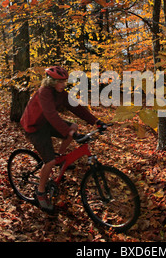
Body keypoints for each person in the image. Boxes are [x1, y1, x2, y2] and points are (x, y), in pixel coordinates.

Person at [20, 66, 104, 213]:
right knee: (49, 161)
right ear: (51, 81)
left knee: (74, 126)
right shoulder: (44, 93)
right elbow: (51, 114)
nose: (63, 84)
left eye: (64, 81)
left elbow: (77, 108)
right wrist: (70, 134)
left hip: (46, 122)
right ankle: (40, 193)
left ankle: (60, 157)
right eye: (60, 82)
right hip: (34, 127)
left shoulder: (61, 94)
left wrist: (96, 121)